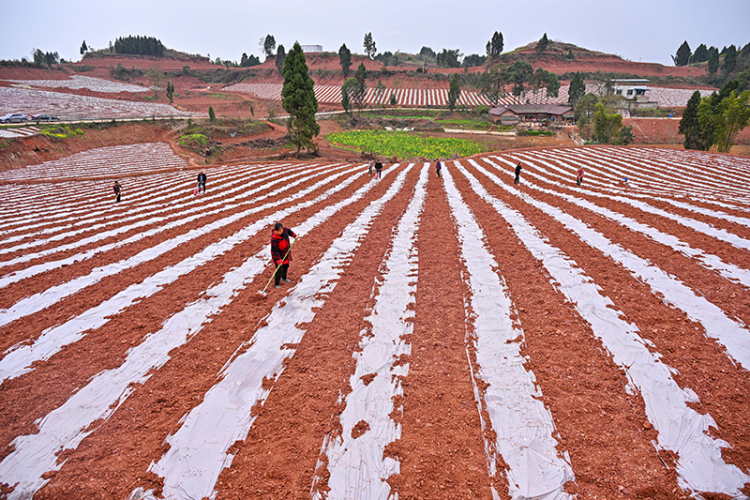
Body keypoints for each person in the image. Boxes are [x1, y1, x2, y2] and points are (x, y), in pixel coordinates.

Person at [270, 222, 297, 289]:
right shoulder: (274, 239)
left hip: (285, 252)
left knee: (286, 266)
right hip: (278, 255)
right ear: (275, 231)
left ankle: (284, 278)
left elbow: (290, 232)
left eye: (281, 230)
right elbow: (275, 251)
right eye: (278, 231)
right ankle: (276, 284)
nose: (280, 232)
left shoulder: (285, 230)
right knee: (279, 269)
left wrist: (295, 236)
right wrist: (278, 259)